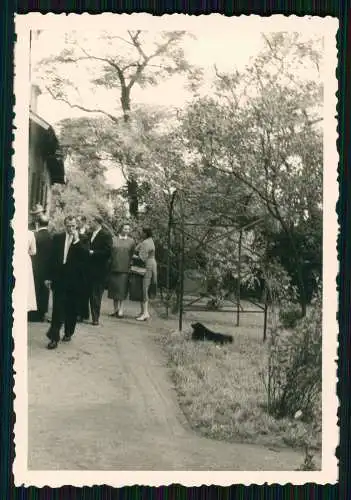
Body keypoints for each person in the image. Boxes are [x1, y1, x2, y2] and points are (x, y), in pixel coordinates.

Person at [44, 215, 85, 350]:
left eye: (73, 226)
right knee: (57, 308)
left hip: (75, 281)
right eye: (68, 226)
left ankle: (68, 332)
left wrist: (77, 240)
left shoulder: (83, 239)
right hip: (59, 278)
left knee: (71, 309)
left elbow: (85, 256)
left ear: (76, 225)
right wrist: (48, 277)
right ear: (65, 225)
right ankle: (54, 338)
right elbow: (50, 258)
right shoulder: (58, 237)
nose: (71, 228)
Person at [87, 215, 113, 325]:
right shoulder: (89, 234)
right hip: (88, 268)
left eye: (91, 222)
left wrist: (93, 253)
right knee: (86, 292)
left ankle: (95, 318)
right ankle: (82, 314)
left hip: (99, 270)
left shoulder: (106, 235)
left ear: (97, 223)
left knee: (96, 294)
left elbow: (108, 252)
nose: (90, 223)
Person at [108, 222, 135, 318]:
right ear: (121, 229)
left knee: (122, 290)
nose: (126, 231)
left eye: (128, 229)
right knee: (114, 290)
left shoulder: (131, 241)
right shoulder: (113, 239)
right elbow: (110, 253)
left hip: (124, 269)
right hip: (114, 268)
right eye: (125, 229)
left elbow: (132, 254)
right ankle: (115, 310)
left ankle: (121, 310)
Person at [131, 227, 157, 321]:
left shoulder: (146, 242)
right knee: (144, 288)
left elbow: (142, 258)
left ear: (145, 233)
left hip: (147, 266)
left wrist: (131, 255)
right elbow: (138, 248)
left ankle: (145, 312)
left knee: (144, 288)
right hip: (150, 264)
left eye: (142, 232)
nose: (140, 233)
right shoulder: (148, 241)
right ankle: (143, 312)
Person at [32, 214, 52, 322]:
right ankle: (42, 313)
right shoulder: (51, 237)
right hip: (47, 269)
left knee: (34, 289)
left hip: (34, 268)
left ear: (37, 223)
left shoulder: (35, 236)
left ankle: (33, 314)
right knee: (44, 291)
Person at [76, 215, 90, 322]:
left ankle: (82, 314)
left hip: (85, 265)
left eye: (78, 221)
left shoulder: (88, 233)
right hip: (76, 264)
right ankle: (75, 312)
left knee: (83, 290)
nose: (77, 223)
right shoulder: (74, 231)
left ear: (84, 222)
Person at [28, 229, 37, 313]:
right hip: (25, 259)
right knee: (27, 284)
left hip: (14, 258)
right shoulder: (30, 234)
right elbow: (34, 251)